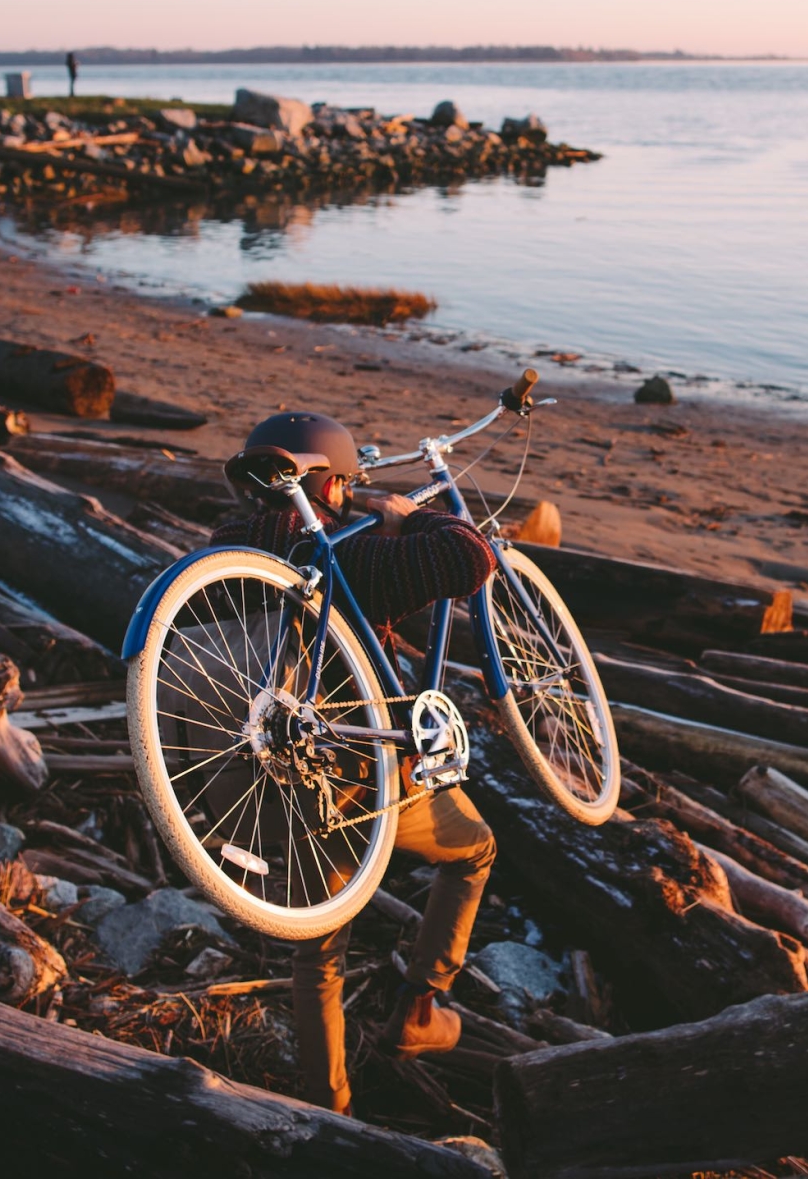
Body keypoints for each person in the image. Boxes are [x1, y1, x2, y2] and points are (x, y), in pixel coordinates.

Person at [215, 410, 498, 1115]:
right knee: (475, 849)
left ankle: (327, 1105)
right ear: (334, 484)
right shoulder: (355, 559)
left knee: (317, 951)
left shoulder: (226, 546)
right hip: (358, 780)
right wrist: (406, 514)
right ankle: (420, 1008)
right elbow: (471, 557)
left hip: (260, 780)